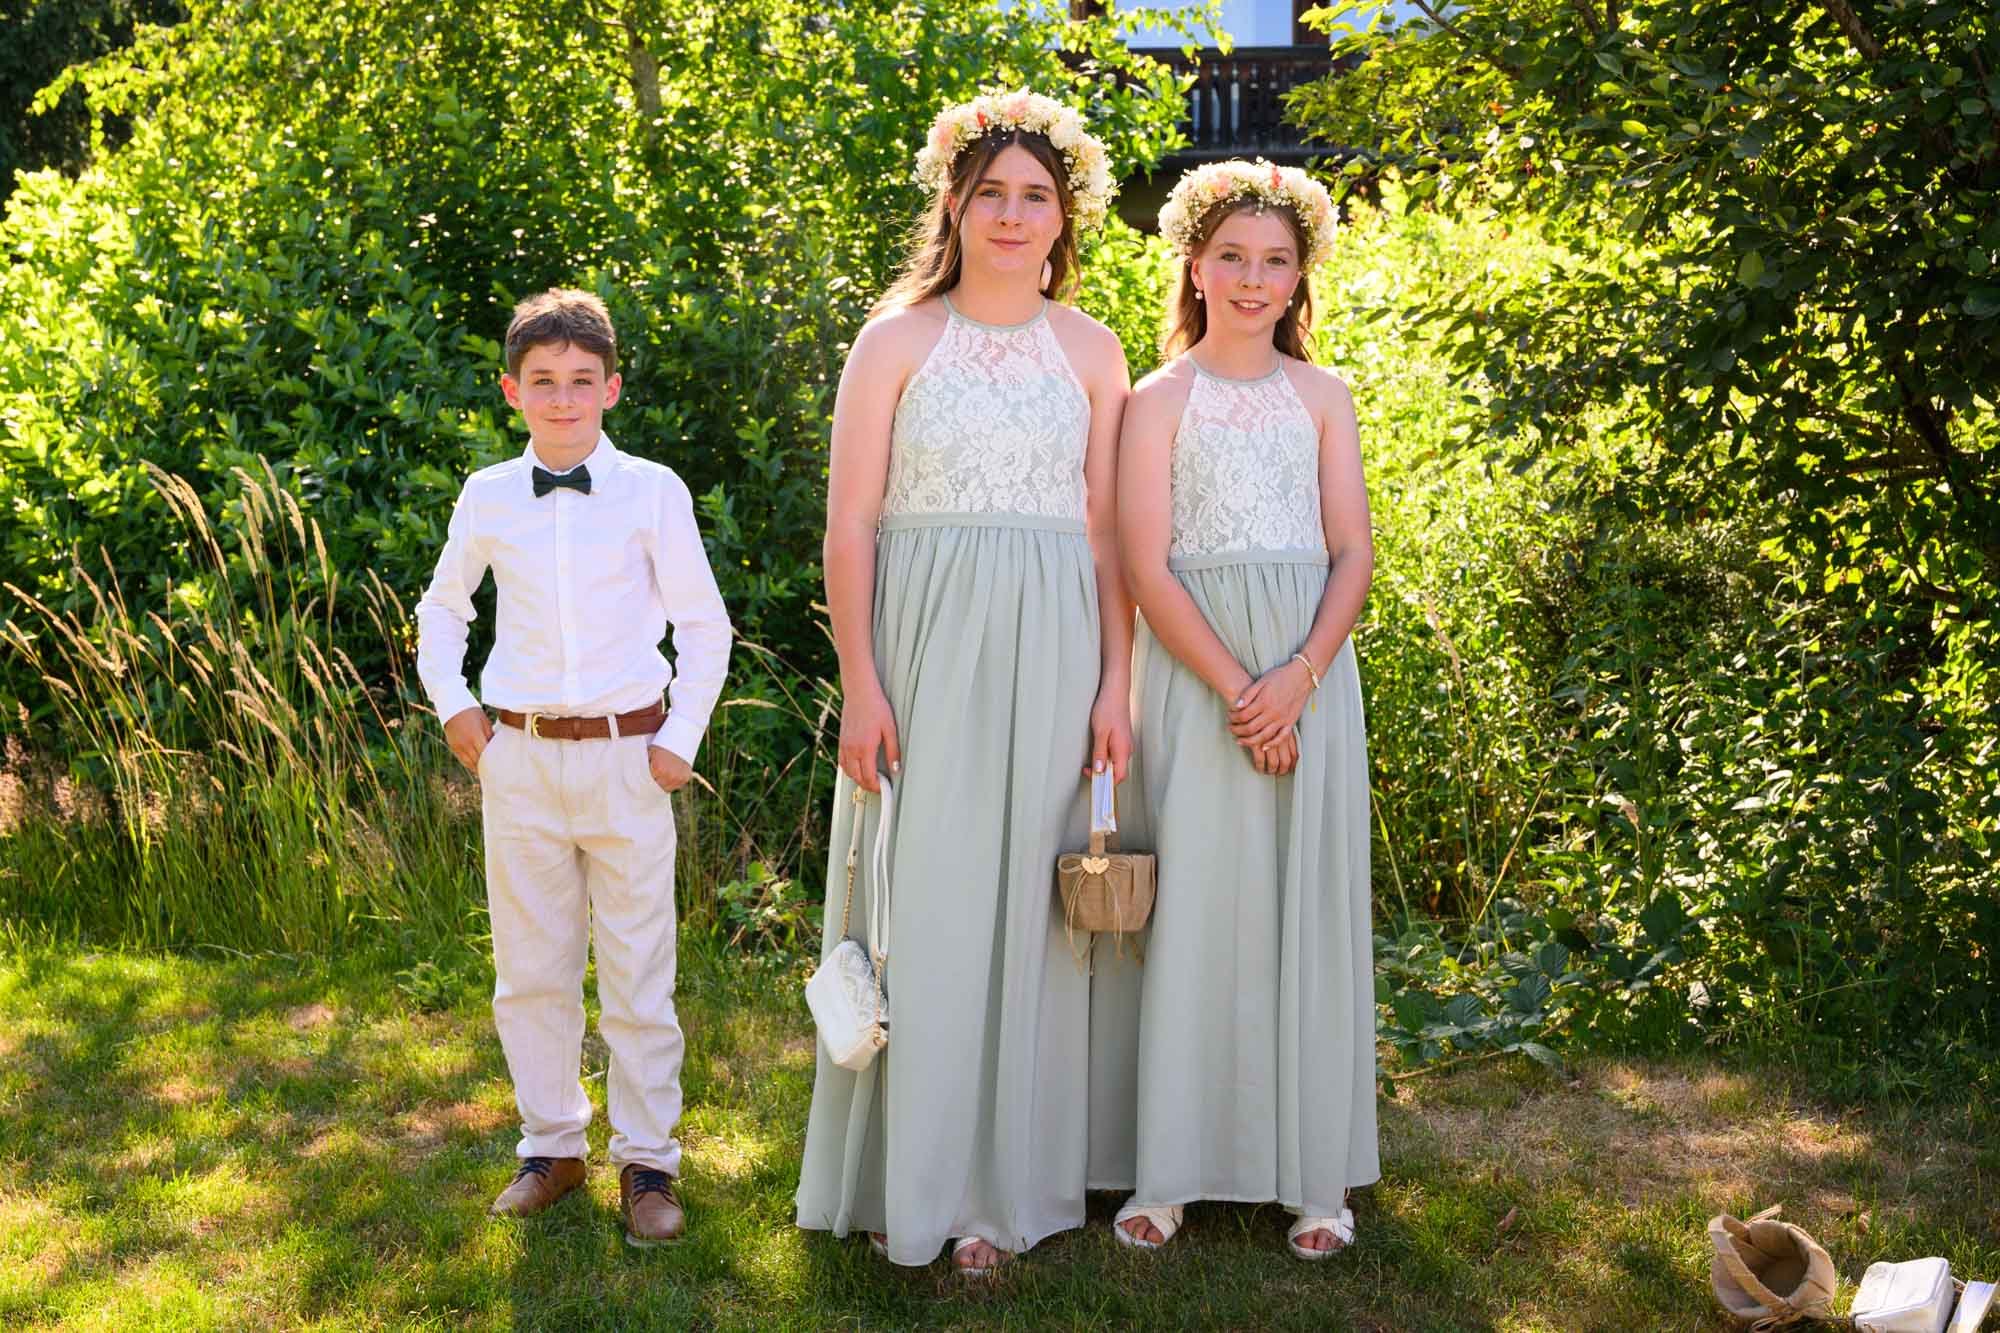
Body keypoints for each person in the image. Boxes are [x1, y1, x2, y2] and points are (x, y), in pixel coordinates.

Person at [793, 90, 1133, 1275]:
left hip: (1054, 643)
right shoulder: (893, 340)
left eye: (1033, 194)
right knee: (924, 908)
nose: (1009, 212)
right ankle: (912, 1177)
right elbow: (847, 528)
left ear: (1063, 213)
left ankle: (1004, 1193)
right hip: (924, 641)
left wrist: (1113, 684)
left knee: (1028, 922)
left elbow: (1107, 534)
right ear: (953, 198)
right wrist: (861, 681)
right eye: (988, 190)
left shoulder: (1094, 351)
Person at [414, 288, 732, 1247]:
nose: (562, 400)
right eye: (543, 383)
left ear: (612, 388)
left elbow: (705, 623)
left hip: (629, 759)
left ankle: (647, 1159)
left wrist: (681, 736)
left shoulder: (652, 490)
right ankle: (552, 1144)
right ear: (513, 390)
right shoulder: (488, 495)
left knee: (640, 968)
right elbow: (443, 613)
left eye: (581, 382)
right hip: (519, 760)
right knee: (530, 968)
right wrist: (458, 709)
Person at [1108, 160, 1379, 1258]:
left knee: (1300, 912)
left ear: (1298, 274)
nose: (1252, 279)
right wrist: (1237, 690)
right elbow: (1141, 561)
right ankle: (1168, 1169)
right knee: (1198, 910)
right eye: (1232, 257)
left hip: (1307, 670)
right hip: (1193, 672)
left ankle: (1312, 1177)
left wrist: (1298, 676)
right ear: (1194, 263)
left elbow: (1353, 550)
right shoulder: (1152, 398)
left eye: (1274, 261)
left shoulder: (1322, 397)